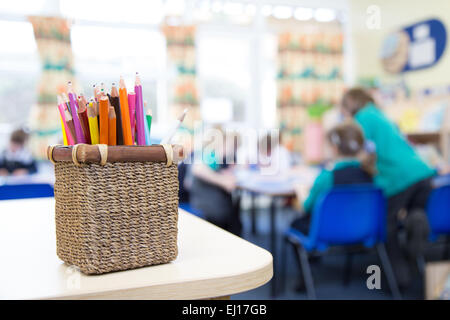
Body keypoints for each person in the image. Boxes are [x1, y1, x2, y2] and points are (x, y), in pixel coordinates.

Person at [341, 88, 437, 288]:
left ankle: (400, 277)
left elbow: (352, 149)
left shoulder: (363, 117)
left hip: (397, 176)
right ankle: (414, 245)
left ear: (350, 104)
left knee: (387, 225)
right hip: (421, 171)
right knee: (415, 213)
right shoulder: (380, 114)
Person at [291, 121, 375, 235]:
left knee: (295, 224)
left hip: (328, 233)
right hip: (361, 231)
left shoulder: (327, 176)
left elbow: (306, 207)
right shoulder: (370, 173)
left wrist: (301, 191)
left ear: (335, 148)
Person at [190, 127, 242, 235]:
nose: (233, 150)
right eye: (232, 146)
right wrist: (223, 181)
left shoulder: (218, 158)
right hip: (210, 208)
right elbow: (198, 169)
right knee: (234, 221)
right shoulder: (212, 154)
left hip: (212, 206)